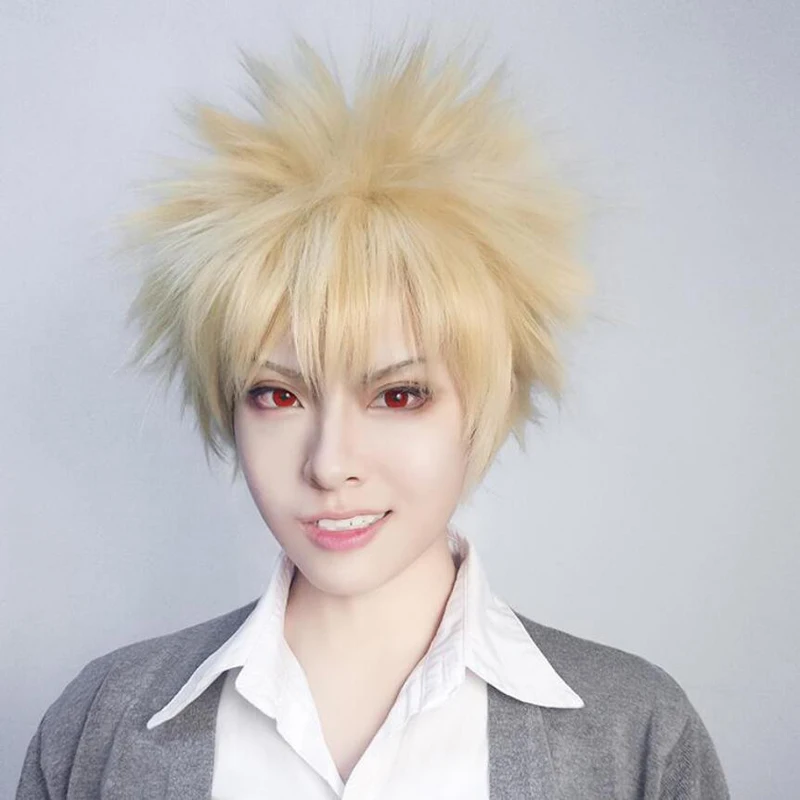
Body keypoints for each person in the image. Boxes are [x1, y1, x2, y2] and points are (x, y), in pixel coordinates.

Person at [17, 34, 730, 799]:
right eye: (278, 395)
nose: (330, 464)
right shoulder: (101, 726)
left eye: (398, 395)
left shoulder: (635, 736)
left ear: (485, 403)